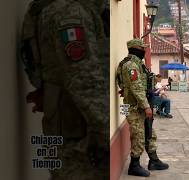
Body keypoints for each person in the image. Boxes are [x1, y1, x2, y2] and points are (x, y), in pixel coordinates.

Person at [21, 0, 109, 179]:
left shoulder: (72, 9)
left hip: (74, 135)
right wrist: (108, 133)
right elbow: (85, 81)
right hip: (80, 142)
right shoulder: (70, 13)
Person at [116, 39, 169, 177]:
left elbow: (128, 84)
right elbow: (137, 87)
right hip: (133, 107)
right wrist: (146, 107)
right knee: (138, 135)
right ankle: (134, 165)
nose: (144, 50)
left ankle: (154, 160)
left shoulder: (138, 65)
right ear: (135, 49)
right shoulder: (130, 65)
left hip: (140, 104)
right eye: (142, 48)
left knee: (150, 132)